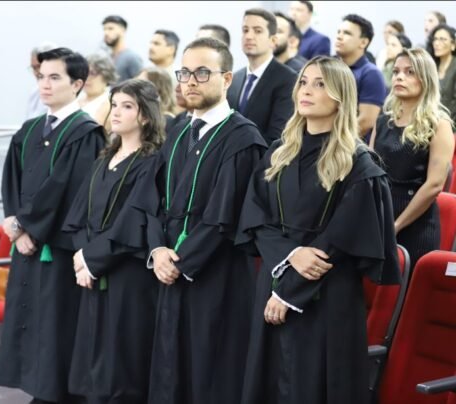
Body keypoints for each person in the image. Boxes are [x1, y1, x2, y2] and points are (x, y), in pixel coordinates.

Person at [237, 56, 401, 404]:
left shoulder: (358, 164)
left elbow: (341, 239)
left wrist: (288, 293)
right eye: (303, 82)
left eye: (320, 84)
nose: (306, 90)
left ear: (341, 97)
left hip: (325, 294)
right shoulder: (278, 154)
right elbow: (255, 218)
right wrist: (290, 255)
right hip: (275, 278)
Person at [135, 37, 267, 404]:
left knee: (209, 371)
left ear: (227, 79)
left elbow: (225, 216)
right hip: (170, 268)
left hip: (217, 276)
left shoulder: (243, 139)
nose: (191, 81)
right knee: (169, 366)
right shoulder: (178, 132)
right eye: (185, 73)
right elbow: (151, 200)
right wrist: (158, 250)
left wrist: (181, 261)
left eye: (203, 73)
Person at [0, 47, 106, 404]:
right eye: (41, 76)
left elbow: (68, 188)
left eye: (55, 77)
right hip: (27, 243)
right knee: (29, 317)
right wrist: (15, 225)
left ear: (77, 84)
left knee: (55, 322)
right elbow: (12, 181)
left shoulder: (86, 133)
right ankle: (37, 388)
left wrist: (28, 227)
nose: (45, 84)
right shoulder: (29, 130)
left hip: (56, 246)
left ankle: (56, 393)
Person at [63, 79, 164, 404]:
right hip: (92, 270)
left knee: (122, 360)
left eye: (127, 106)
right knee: (93, 357)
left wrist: (92, 259)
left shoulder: (152, 162)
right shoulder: (104, 159)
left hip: (127, 275)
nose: (116, 112)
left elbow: (134, 220)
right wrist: (82, 256)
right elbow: (79, 213)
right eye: (115, 104)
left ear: (145, 115)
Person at [371, 48, 454, 268]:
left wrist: (396, 225)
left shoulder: (439, 124)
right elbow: (369, 170)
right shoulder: (383, 120)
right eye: (396, 71)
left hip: (415, 224)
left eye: (410, 72)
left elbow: (434, 185)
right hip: (378, 215)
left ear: (425, 78)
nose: (399, 77)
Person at [228, 8, 296, 145]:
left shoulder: (288, 79)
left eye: (257, 31)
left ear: (273, 40)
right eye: (245, 30)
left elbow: (278, 136)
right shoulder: (235, 78)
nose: (249, 36)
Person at [335, 14, 387, 140]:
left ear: (363, 42)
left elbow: (366, 122)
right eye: (339, 32)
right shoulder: (329, 68)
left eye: (347, 33)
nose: (339, 36)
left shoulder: (371, 74)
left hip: (349, 144)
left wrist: (334, 141)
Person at [78, 53, 117, 128]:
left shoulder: (110, 103)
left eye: (92, 73)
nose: (87, 78)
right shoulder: (77, 97)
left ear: (106, 75)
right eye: (84, 73)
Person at [102, 15, 143, 82]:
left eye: (110, 29)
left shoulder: (132, 58)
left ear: (122, 30)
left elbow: (142, 84)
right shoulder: (106, 58)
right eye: (104, 29)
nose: (106, 33)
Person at [429, 24, 456, 123]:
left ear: (453, 45)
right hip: (431, 121)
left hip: (450, 124)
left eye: (442, 39)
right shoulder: (432, 67)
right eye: (435, 39)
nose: (437, 43)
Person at [26, 41, 57, 119]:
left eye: (39, 66)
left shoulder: (62, 92)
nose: (37, 72)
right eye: (34, 68)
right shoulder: (35, 92)